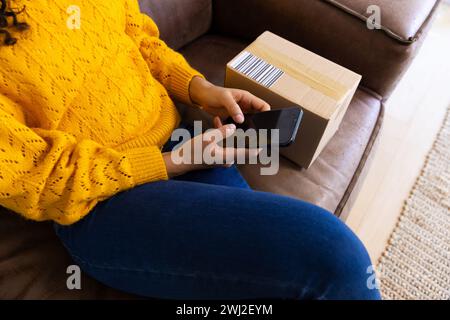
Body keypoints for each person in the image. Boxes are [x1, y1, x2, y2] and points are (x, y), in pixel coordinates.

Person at [0, 0, 381, 300]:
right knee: (335, 257)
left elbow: (137, 39)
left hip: (184, 140)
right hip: (106, 201)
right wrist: (170, 163)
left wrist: (199, 89)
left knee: (274, 284)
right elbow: (37, 177)